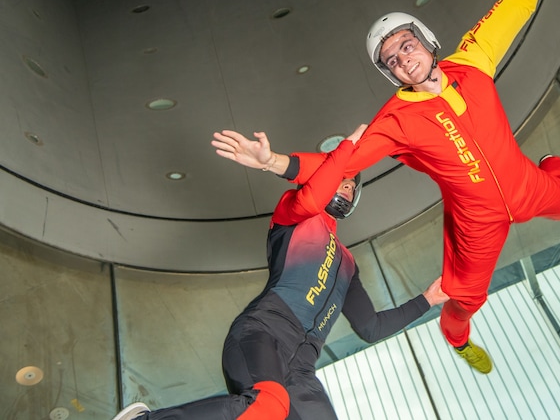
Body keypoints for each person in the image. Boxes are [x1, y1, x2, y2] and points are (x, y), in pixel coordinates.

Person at [214, 0, 560, 376]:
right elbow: (335, 164)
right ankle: (456, 340)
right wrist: (272, 160)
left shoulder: (473, 60)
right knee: (463, 301)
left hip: (527, 184)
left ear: (426, 42)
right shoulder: (396, 120)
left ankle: (549, 162)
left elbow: (519, 1)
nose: (403, 58)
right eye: (392, 59)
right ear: (391, 74)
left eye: (407, 45)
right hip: (477, 225)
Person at [112, 124, 448, 420]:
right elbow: (313, 198)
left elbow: (371, 327)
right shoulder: (295, 213)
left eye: (351, 184)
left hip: (301, 371)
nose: (345, 187)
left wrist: (428, 300)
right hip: (262, 335)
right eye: (340, 178)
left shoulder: (348, 264)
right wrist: (344, 151)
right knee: (269, 406)